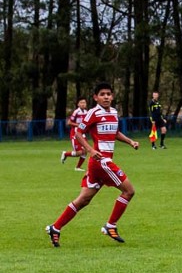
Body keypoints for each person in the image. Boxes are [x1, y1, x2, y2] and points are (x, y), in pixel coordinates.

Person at [46, 82, 139, 247]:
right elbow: (78, 132)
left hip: (100, 163)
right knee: (129, 191)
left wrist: (130, 141)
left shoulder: (114, 112)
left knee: (84, 199)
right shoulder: (93, 113)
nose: (106, 97)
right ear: (96, 97)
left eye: (108, 94)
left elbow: (115, 132)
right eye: (102, 94)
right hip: (101, 161)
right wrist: (89, 149)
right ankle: (110, 225)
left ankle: (55, 227)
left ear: (112, 96)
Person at [60, 96, 89, 171]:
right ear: (78, 104)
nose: (83, 104)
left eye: (84, 102)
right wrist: (78, 125)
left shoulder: (86, 112)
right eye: (81, 103)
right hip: (75, 134)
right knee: (79, 152)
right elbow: (69, 122)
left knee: (85, 150)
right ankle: (65, 154)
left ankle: (78, 167)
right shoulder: (76, 112)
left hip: (82, 133)